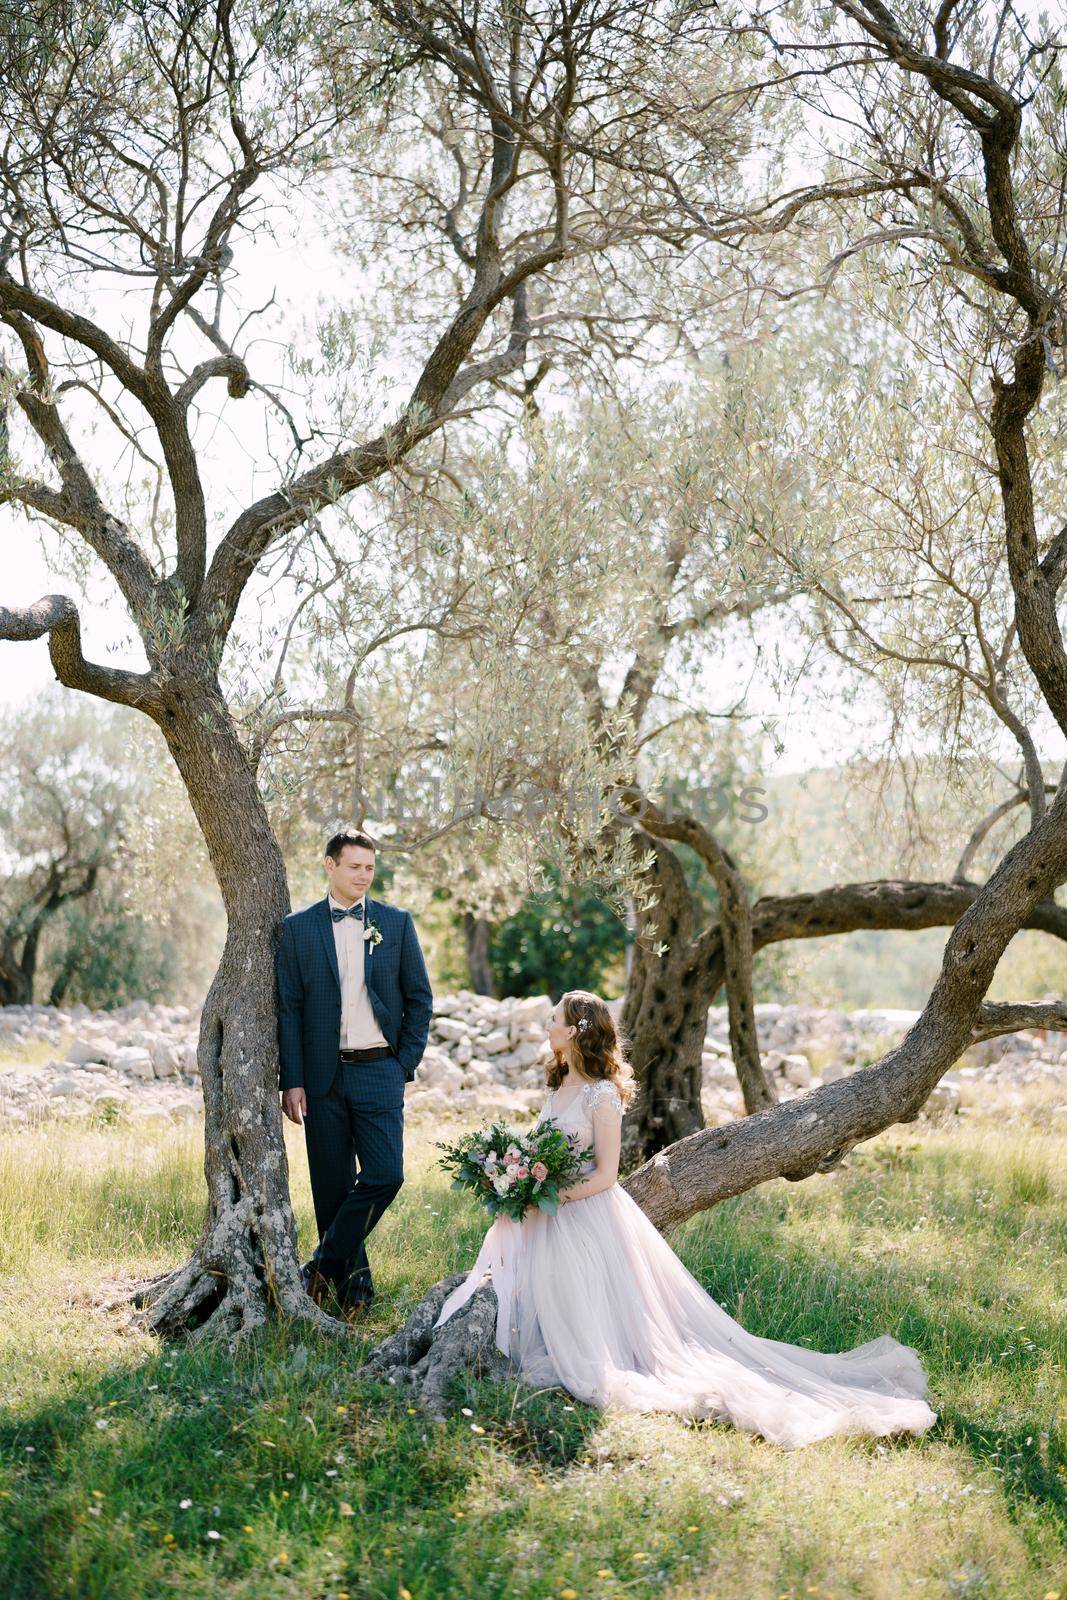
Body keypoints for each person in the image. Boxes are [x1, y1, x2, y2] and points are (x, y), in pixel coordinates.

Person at [435, 989, 937, 1450]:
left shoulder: (601, 1096)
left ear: (576, 1031)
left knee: (592, 1312)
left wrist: (554, 1194)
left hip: (585, 1212)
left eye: (553, 1020)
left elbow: (607, 1175)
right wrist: (520, 1176)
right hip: (546, 1210)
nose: (546, 1026)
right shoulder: (561, 1082)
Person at [276, 830, 432, 1318]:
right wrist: (292, 1079)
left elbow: (419, 998)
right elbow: (289, 1008)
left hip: (379, 1072)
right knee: (331, 1187)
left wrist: (402, 1062)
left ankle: (320, 1268)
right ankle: (355, 1293)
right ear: (329, 865)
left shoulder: (396, 923)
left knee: (387, 1173)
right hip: (321, 1079)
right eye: (354, 867)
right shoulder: (297, 929)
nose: (363, 876)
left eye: (369, 868)